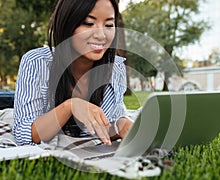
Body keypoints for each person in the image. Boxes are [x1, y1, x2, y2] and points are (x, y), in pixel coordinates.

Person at [13, 0, 133, 147]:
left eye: (109, 25)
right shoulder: (36, 62)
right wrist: (70, 106)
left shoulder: (116, 68)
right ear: (67, 24)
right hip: (37, 94)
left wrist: (121, 125)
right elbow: (24, 136)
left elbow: (105, 124)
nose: (101, 35)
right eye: (89, 23)